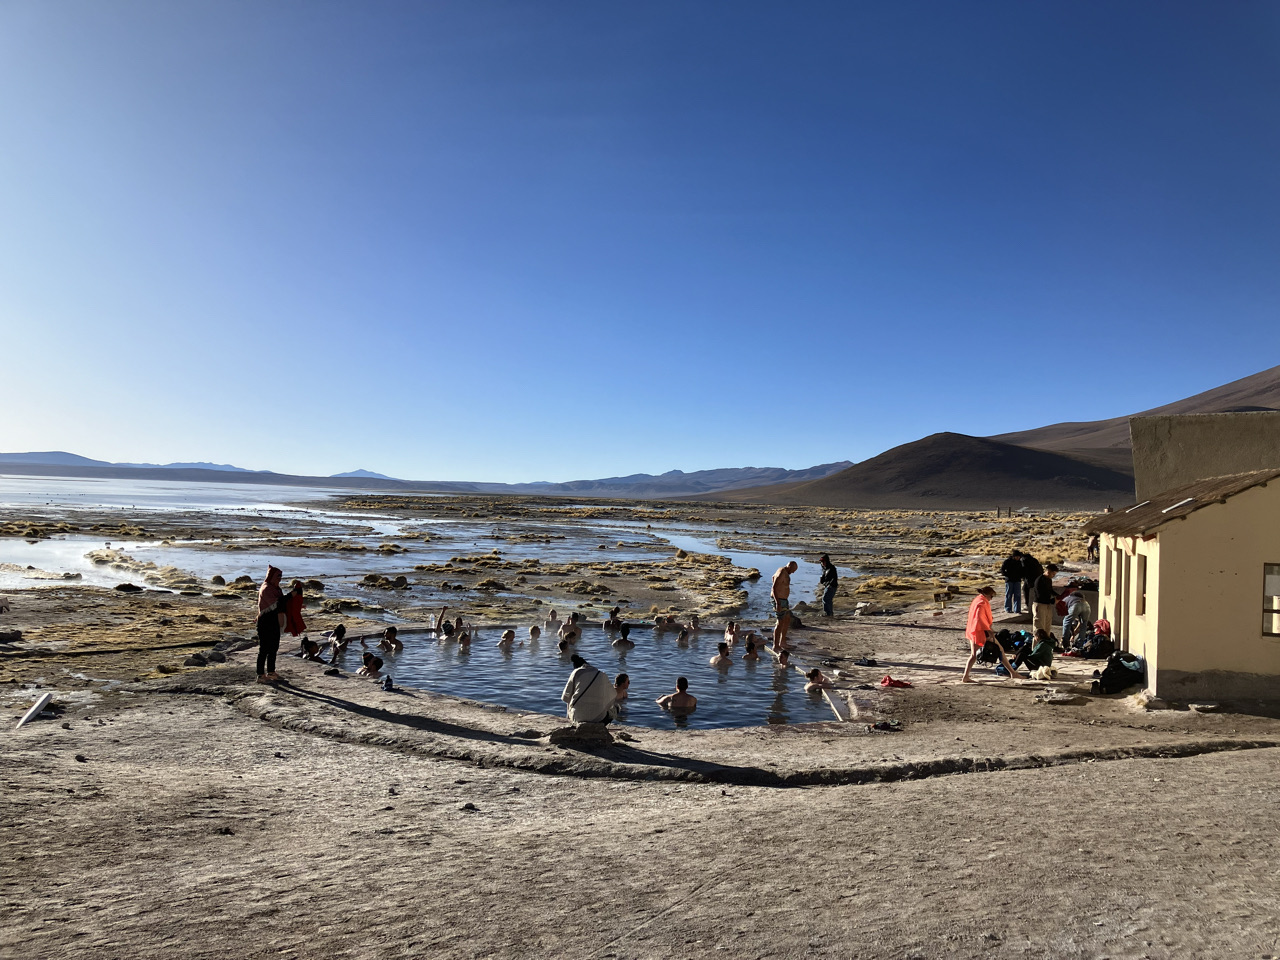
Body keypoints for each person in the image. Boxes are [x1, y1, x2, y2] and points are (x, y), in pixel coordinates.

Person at [960, 586, 1018, 683]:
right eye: (991, 596)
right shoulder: (981, 603)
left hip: (974, 630)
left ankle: (965, 676)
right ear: (987, 595)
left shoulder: (978, 599)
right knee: (1000, 650)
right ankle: (1013, 673)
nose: (991, 599)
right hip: (980, 631)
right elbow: (980, 618)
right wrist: (989, 630)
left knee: (974, 655)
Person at [560, 654, 617, 724]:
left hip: (577, 717)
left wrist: (569, 718)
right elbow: (613, 694)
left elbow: (567, 698)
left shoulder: (575, 673)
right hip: (598, 718)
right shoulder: (602, 675)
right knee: (616, 708)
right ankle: (600, 728)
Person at [255, 565, 286, 684]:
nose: (280, 578)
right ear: (271, 576)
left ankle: (271, 672)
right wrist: (291, 597)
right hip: (265, 622)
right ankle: (260, 675)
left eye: (281, 576)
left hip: (274, 622)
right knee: (264, 649)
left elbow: (283, 603)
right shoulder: (266, 589)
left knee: (273, 648)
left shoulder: (276, 588)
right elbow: (278, 604)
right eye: (278, 576)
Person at [772, 560, 798, 650]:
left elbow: (772, 577)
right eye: (793, 570)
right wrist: (778, 603)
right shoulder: (782, 572)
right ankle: (775, 645)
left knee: (787, 618)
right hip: (779, 600)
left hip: (784, 600)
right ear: (789, 566)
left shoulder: (783, 571)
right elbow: (774, 586)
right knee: (780, 621)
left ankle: (782, 642)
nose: (794, 572)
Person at [1032, 563, 1059, 639]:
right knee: (1039, 629)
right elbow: (1040, 595)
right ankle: (1036, 648)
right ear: (1048, 571)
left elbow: (1050, 590)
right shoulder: (1039, 580)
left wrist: (1058, 596)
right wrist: (1052, 601)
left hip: (1047, 605)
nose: (1053, 576)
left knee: (1047, 629)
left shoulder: (1049, 580)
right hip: (1040, 604)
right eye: (1053, 574)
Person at [1020, 550, 1044, 619]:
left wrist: (1025, 580)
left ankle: (1028, 605)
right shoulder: (1034, 560)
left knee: (1025, 590)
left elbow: (1025, 571)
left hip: (1030, 579)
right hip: (1038, 578)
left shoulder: (1024, 561)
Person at [284, 580, 307, 646]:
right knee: (297, 627)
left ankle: (300, 641)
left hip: (292, 613)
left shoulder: (293, 595)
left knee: (295, 627)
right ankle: (301, 642)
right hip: (295, 614)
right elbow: (295, 605)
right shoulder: (299, 597)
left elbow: (290, 604)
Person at [1000, 550, 1024, 614]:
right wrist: (1006, 575)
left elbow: (1022, 570)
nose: (1018, 558)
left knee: (1018, 595)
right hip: (1009, 580)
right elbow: (1002, 569)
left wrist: (1021, 576)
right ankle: (1008, 608)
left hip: (1017, 580)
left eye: (1019, 557)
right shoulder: (1007, 561)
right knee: (1008, 595)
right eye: (1017, 557)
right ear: (1014, 556)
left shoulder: (1020, 562)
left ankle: (1017, 610)